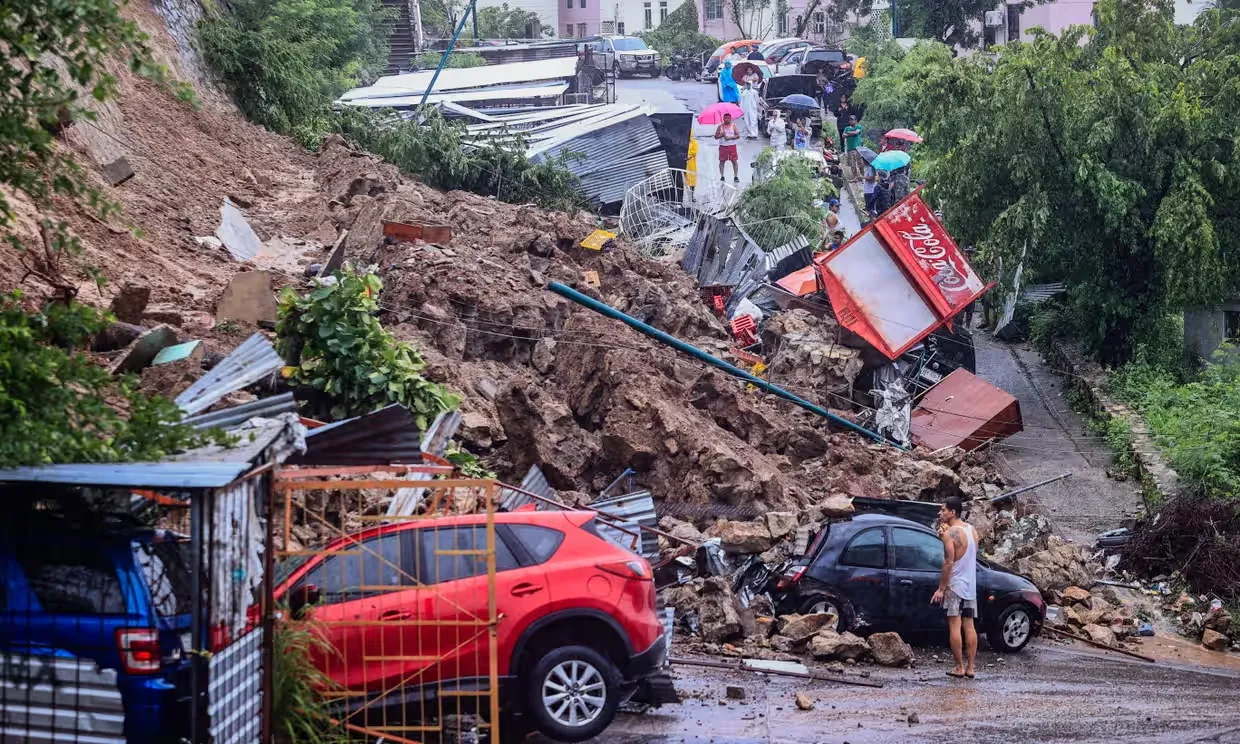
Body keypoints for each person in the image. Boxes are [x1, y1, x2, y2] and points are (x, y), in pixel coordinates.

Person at [933, 496, 979, 680]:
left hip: (955, 585)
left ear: (952, 512)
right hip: (970, 585)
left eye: (943, 510)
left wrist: (941, 588)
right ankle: (971, 667)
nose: (940, 512)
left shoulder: (950, 534)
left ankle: (958, 667)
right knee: (970, 625)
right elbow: (970, 553)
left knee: (955, 625)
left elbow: (948, 562)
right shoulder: (972, 530)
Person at [714, 112, 741, 182]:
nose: (727, 119)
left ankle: (736, 176)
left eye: (728, 118)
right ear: (723, 119)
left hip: (732, 146)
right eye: (725, 118)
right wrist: (721, 135)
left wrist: (730, 138)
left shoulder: (733, 126)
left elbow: (738, 135)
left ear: (730, 119)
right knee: (722, 161)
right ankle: (722, 176)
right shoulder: (720, 127)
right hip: (723, 146)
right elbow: (715, 136)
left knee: (734, 161)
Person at [842, 115, 864, 181]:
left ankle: (863, 176)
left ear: (856, 121)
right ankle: (855, 177)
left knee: (860, 163)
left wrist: (848, 134)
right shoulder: (846, 128)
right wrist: (851, 134)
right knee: (852, 164)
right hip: (850, 148)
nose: (851, 121)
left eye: (852, 120)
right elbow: (843, 136)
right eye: (850, 120)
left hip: (858, 148)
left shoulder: (859, 126)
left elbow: (856, 133)